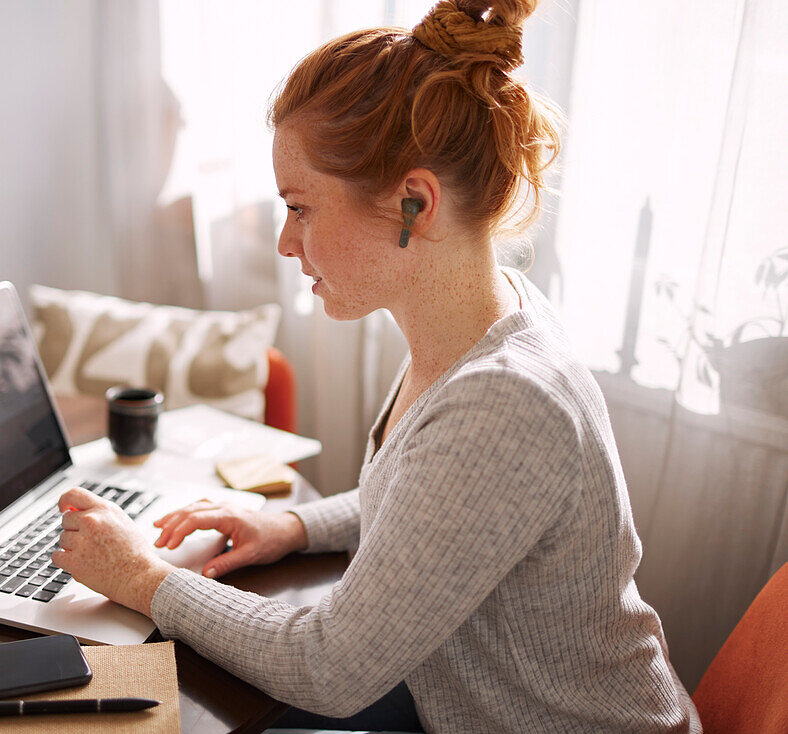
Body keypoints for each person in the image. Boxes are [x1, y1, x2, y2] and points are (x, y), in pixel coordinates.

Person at [51, 1, 701, 731]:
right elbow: (435, 505)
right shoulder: (485, 321)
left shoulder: (504, 402)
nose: (285, 245)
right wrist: (290, 527)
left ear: (413, 203)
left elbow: (330, 668)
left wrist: (141, 575)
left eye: (300, 208)